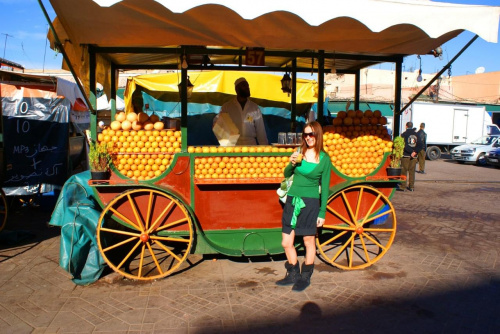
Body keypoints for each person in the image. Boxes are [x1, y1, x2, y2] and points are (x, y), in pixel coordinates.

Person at [276, 121, 332, 291]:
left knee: (308, 240)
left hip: (311, 202)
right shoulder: (299, 153)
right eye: (305, 135)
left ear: (318, 135)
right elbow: (286, 175)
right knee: (286, 242)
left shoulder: (324, 159)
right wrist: (291, 163)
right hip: (293, 200)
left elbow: (326, 186)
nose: (308, 138)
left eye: (311, 134)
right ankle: (293, 273)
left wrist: (322, 212)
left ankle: (305, 276)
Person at [216, 77, 268, 145]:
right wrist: (227, 143)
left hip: (251, 145)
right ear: (237, 89)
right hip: (233, 146)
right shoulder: (227, 107)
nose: (247, 88)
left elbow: (261, 131)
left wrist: (265, 148)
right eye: (244, 86)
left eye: (248, 86)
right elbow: (218, 124)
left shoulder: (254, 108)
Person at [398, 121, 423, 192]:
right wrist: (415, 152)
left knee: (404, 171)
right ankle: (411, 187)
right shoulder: (416, 135)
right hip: (414, 157)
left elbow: (403, 145)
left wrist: (410, 151)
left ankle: (403, 186)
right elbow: (420, 145)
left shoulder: (404, 134)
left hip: (405, 155)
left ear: (406, 126)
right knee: (412, 172)